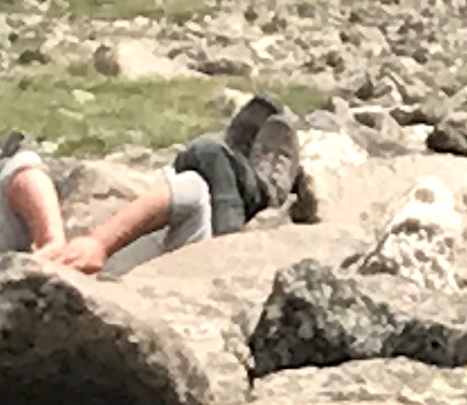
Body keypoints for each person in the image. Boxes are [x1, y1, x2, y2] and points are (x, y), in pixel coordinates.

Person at [3, 97, 309, 276]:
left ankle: (241, 163)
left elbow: (24, 173)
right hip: (186, 272)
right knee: (205, 156)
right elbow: (190, 195)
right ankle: (262, 189)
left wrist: (62, 244)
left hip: (107, 264)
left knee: (201, 162)